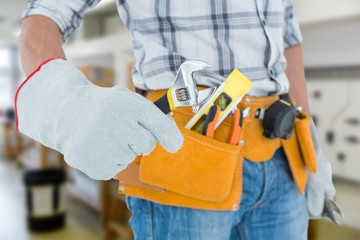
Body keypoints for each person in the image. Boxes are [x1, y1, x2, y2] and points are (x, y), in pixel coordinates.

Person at [17, 0, 339, 239]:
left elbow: (288, 40)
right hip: (183, 160)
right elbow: (44, 15)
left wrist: (307, 132)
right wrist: (66, 102)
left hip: (283, 156)